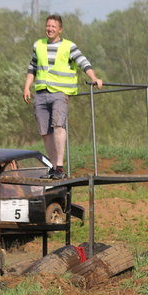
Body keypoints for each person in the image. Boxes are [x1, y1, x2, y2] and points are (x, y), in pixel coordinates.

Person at [23, 14, 103, 180]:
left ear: (60, 29)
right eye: (48, 26)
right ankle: (53, 167)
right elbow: (33, 67)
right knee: (45, 132)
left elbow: (83, 63)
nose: (50, 29)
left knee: (58, 125)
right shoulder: (38, 45)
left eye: (53, 26)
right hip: (41, 93)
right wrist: (26, 87)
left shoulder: (69, 46)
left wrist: (94, 78)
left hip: (60, 92)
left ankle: (59, 166)